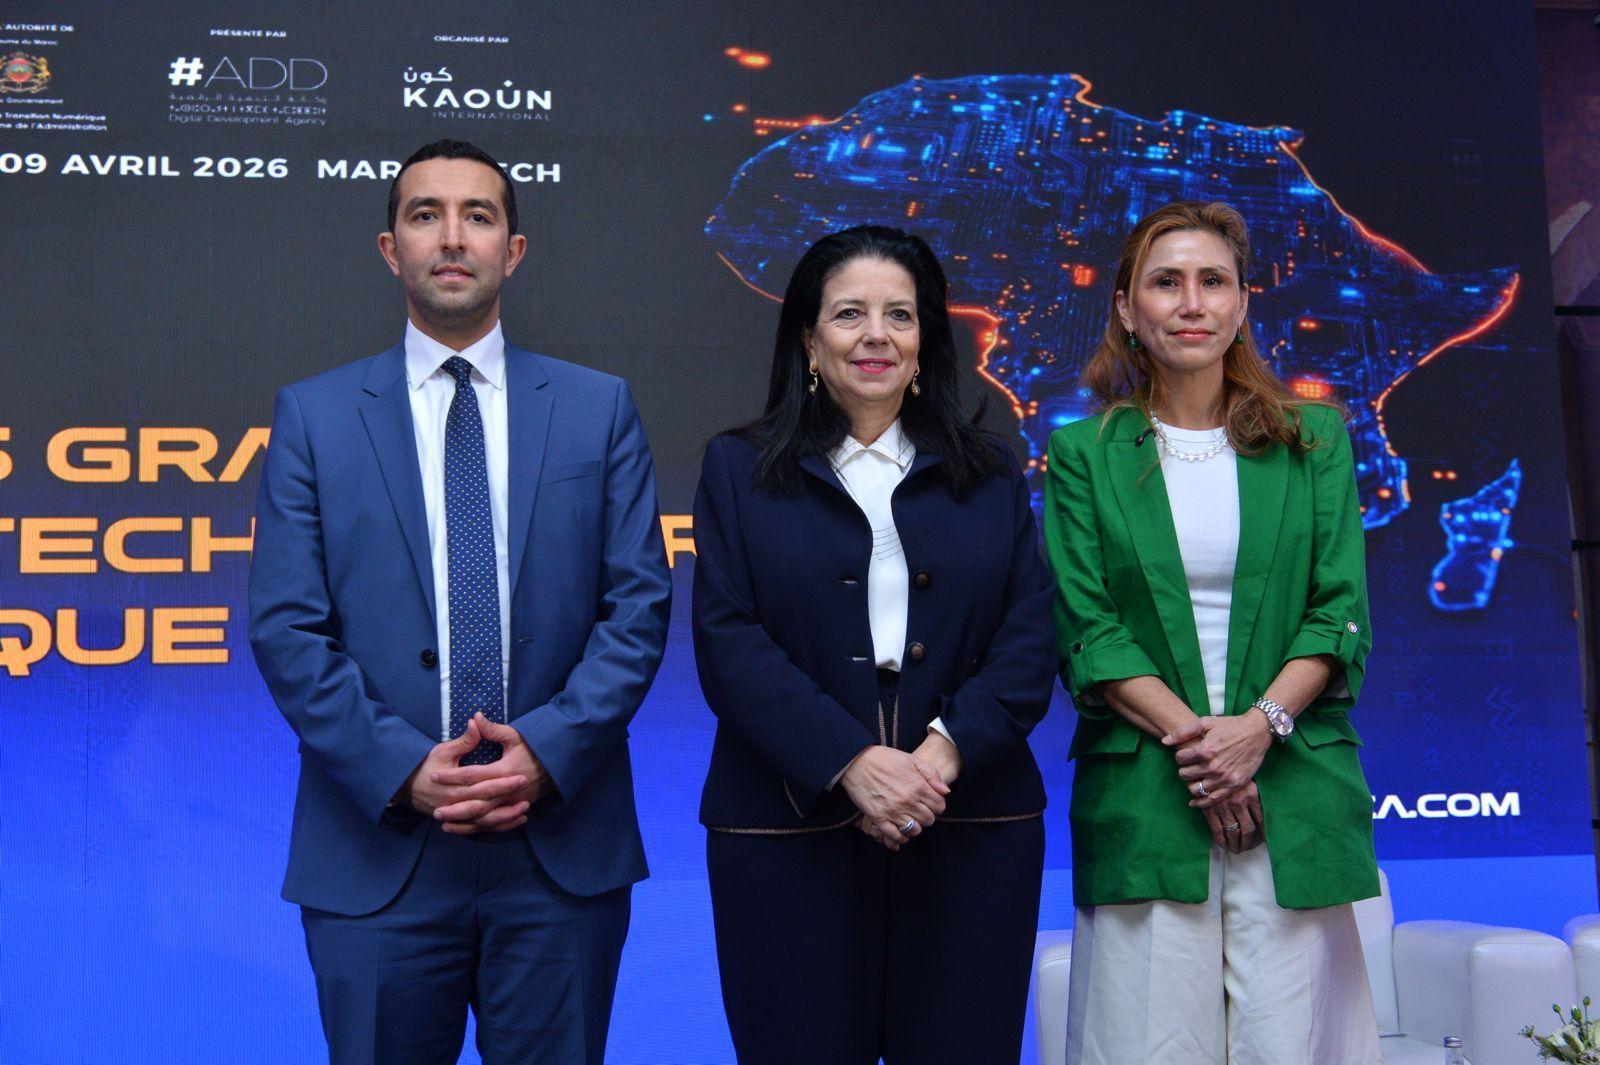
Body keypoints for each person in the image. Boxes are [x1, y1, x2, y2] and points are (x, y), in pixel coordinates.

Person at [247, 139, 671, 1065]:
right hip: (377, 852)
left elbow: (639, 606)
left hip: (558, 850)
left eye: (477, 216)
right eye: (424, 215)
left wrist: (546, 752)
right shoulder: (315, 417)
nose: (451, 237)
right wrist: (404, 767)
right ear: (390, 248)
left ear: (512, 250)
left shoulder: (598, 409)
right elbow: (286, 627)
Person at [692, 224, 1055, 1064]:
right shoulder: (738, 469)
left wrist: (938, 758)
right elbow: (728, 641)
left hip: (968, 826)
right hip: (787, 832)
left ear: (925, 339)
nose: (876, 335)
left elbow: (1029, 633)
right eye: (849, 313)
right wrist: (852, 761)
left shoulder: (990, 471)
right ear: (809, 339)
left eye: (900, 314)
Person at [1044, 200, 1382, 1064]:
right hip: (1149, 792)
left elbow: (1338, 611)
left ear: (1241, 305)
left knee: (1290, 1046)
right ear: (1128, 309)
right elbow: (1090, 629)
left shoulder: (1315, 438)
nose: (1191, 302)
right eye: (1166, 282)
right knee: (1145, 1047)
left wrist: (1258, 730)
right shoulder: (1084, 453)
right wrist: (1209, 753)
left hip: (1293, 786)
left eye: (1213, 281)